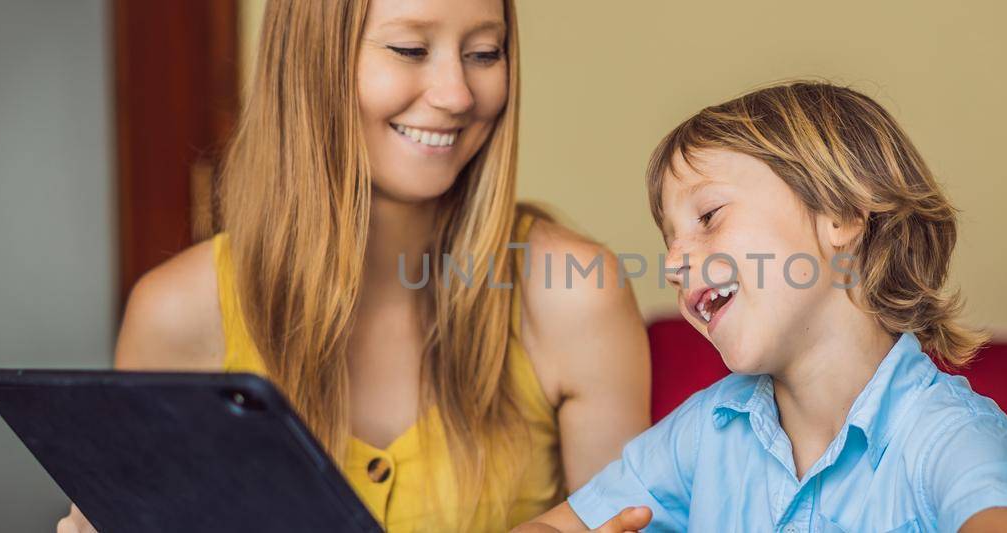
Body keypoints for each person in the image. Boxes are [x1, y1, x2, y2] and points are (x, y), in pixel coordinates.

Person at [56, 0, 650, 531]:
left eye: (485, 53)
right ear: (314, 63)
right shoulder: (176, 314)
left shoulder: (575, 293)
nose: (457, 94)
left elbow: (629, 521)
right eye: (410, 49)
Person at [519, 82, 1007, 532]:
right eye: (668, 240)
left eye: (707, 217)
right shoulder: (707, 431)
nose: (673, 263)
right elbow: (556, 524)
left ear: (840, 215)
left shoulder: (947, 436)